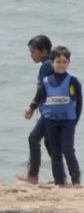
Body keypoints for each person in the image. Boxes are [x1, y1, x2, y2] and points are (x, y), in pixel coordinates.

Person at [28, 46, 81, 186]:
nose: (61, 64)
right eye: (58, 61)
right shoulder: (46, 82)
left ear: (68, 63)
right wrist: (31, 109)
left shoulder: (72, 81)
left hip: (68, 121)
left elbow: (79, 103)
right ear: (52, 63)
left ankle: (76, 181)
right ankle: (59, 182)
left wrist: (75, 121)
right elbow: (38, 98)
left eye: (64, 61)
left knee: (68, 149)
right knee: (55, 151)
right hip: (50, 120)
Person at [17, 35, 54, 185]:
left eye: (33, 52)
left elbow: (42, 89)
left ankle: (32, 176)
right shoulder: (52, 63)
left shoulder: (46, 65)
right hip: (52, 110)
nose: (31, 55)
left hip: (48, 111)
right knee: (49, 142)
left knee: (34, 138)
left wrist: (32, 107)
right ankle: (61, 176)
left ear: (43, 51)